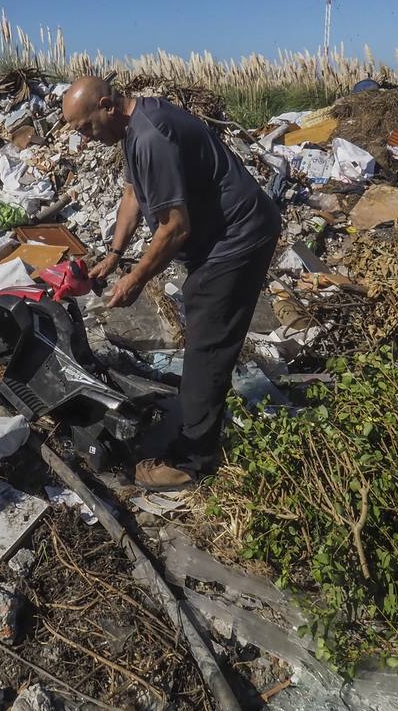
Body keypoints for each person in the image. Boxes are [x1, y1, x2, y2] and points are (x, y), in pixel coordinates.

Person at [61, 76, 281, 490]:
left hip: (238, 237)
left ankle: (192, 460)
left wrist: (135, 280)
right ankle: (199, 425)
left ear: (107, 105)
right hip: (219, 237)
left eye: (86, 127)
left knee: (207, 344)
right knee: (205, 324)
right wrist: (113, 255)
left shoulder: (151, 136)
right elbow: (133, 191)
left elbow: (174, 228)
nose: (87, 140)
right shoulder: (134, 124)